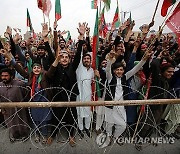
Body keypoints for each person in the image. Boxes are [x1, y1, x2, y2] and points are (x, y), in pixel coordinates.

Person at [97, 46, 153, 148]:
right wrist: (109, 60)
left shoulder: (125, 77)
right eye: (117, 70)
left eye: (121, 70)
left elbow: (135, 69)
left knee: (122, 125)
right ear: (114, 71)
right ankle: (109, 137)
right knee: (109, 125)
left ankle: (115, 137)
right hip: (110, 106)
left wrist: (144, 60)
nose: (119, 71)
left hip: (121, 106)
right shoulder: (110, 78)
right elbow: (108, 70)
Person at [0, 67, 29, 142]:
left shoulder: (20, 84)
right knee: (10, 123)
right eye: (2, 76)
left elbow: (26, 94)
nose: (4, 77)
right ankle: (15, 135)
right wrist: (2, 109)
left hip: (19, 108)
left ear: (11, 76)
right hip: (7, 110)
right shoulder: (0, 86)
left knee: (21, 121)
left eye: (6, 76)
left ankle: (24, 135)